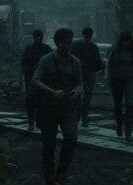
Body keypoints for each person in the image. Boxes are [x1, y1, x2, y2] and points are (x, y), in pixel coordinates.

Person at [32, 28, 83, 185]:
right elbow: (35, 81)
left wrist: (77, 91)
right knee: (48, 145)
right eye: (65, 43)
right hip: (48, 108)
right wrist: (52, 92)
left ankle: (61, 174)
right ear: (57, 43)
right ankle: (50, 178)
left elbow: (81, 83)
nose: (68, 46)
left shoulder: (76, 62)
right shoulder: (46, 60)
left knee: (71, 138)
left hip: (68, 108)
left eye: (70, 43)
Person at [106, 31, 133, 142]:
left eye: (128, 41)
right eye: (124, 41)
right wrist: (108, 79)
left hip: (130, 80)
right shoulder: (115, 50)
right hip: (116, 80)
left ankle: (128, 131)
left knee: (130, 104)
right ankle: (119, 124)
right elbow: (109, 65)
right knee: (118, 105)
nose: (126, 43)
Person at [71, 27, 104, 127]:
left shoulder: (75, 44)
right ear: (91, 35)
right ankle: (84, 118)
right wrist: (100, 68)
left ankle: (77, 117)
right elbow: (98, 61)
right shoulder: (93, 46)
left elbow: (70, 58)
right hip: (90, 72)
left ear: (83, 33)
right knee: (87, 96)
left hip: (78, 72)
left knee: (78, 95)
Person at [21, 29, 53, 131]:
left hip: (43, 80)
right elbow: (22, 63)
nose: (38, 39)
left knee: (42, 101)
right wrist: (19, 78)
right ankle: (31, 122)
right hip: (30, 78)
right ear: (34, 38)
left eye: (39, 37)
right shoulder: (28, 49)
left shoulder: (47, 49)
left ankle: (40, 122)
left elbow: (53, 63)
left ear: (42, 37)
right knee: (30, 100)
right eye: (36, 37)